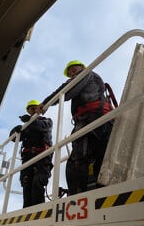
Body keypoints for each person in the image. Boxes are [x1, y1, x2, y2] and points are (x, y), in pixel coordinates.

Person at [37, 60, 113, 195]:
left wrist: (45, 104)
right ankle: (103, 194)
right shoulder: (93, 80)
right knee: (100, 158)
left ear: (81, 67)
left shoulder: (85, 73)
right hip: (102, 121)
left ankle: (78, 198)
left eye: (74, 69)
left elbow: (66, 90)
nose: (72, 73)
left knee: (78, 160)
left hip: (91, 120)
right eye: (70, 72)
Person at [9, 100, 53, 207]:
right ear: (28, 111)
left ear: (39, 110)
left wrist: (30, 121)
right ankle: (27, 210)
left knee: (38, 182)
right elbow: (13, 139)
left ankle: (39, 209)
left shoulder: (46, 121)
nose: (34, 110)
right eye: (31, 108)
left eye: (35, 108)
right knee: (26, 184)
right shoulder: (26, 127)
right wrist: (16, 130)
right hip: (27, 158)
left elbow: (42, 127)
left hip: (42, 158)